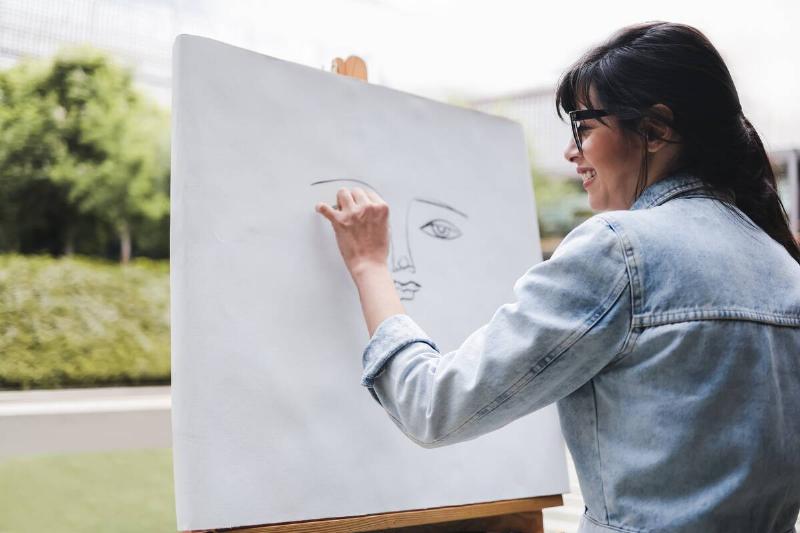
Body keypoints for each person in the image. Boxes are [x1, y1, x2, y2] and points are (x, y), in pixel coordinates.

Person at [314, 21, 800, 533]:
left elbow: (435, 405)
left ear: (656, 129)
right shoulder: (781, 264)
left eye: (584, 129)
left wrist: (370, 266)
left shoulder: (619, 250)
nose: (572, 153)